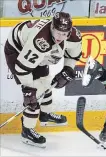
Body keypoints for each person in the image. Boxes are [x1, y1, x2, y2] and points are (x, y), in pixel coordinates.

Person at [4, 12, 82, 147]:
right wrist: (29, 90)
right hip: (17, 49)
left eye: (64, 34)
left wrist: (68, 69)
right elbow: (22, 68)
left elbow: (73, 55)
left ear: (69, 31)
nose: (60, 37)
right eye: (57, 32)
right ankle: (27, 130)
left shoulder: (74, 36)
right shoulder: (41, 40)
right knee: (35, 90)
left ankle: (45, 115)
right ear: (52, 27)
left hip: (35, 49)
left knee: (46, 81)